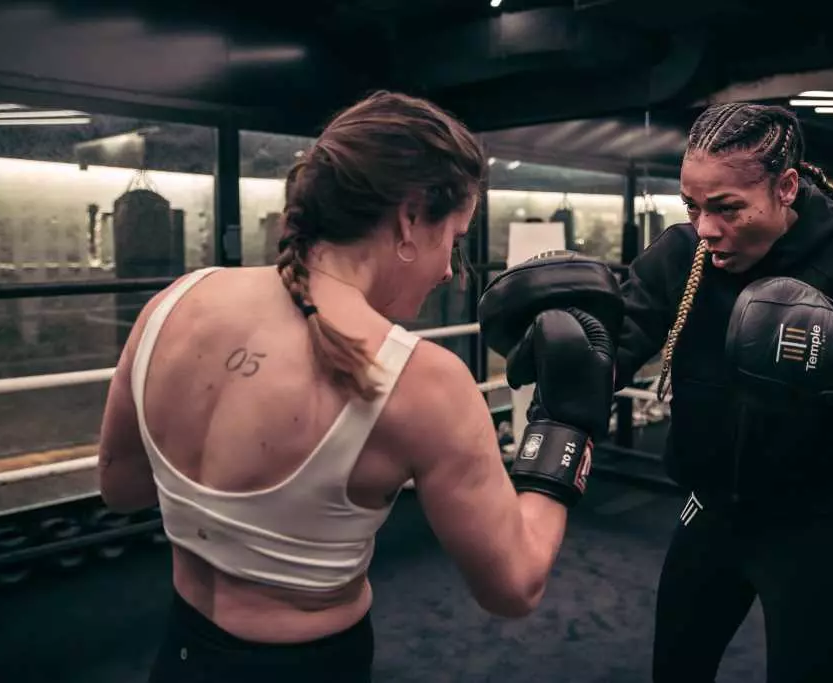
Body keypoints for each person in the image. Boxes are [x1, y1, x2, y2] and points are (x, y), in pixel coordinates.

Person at [96, 90, 616, 683]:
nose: (449, 268)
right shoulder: (422, 382)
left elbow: (123, 486)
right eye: (455, 237)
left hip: (181, 655)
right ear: (409, 217)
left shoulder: (174, 302)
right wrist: (566, 427)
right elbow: (515, 587)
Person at [612, 103, 833, 682]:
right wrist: (570, 346)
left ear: (786, 187)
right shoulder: (680, 252)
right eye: (692, 206)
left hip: (814, 522)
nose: (706, 228)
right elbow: (617, 341)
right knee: (675, 671)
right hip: (707, 510)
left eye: (727, 208)